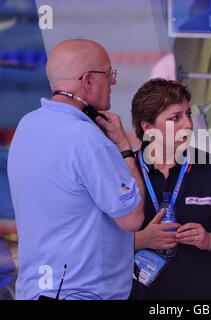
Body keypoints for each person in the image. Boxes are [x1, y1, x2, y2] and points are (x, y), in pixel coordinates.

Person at [7, 39, 145, 300]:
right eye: (109, 73)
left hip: (34, 290)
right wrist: (124, 148)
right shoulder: (87, 139)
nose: (113, 81)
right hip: (83, 292)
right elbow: (132, 218)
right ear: (88, 80)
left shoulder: (27, 126)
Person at [129, 78, 211, 300]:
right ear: (147, 128)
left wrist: (210, 240)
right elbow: (101, 242)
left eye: (188, 114)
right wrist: (142, 239)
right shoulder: (125, 172)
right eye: (175, 118)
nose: (188, 124)